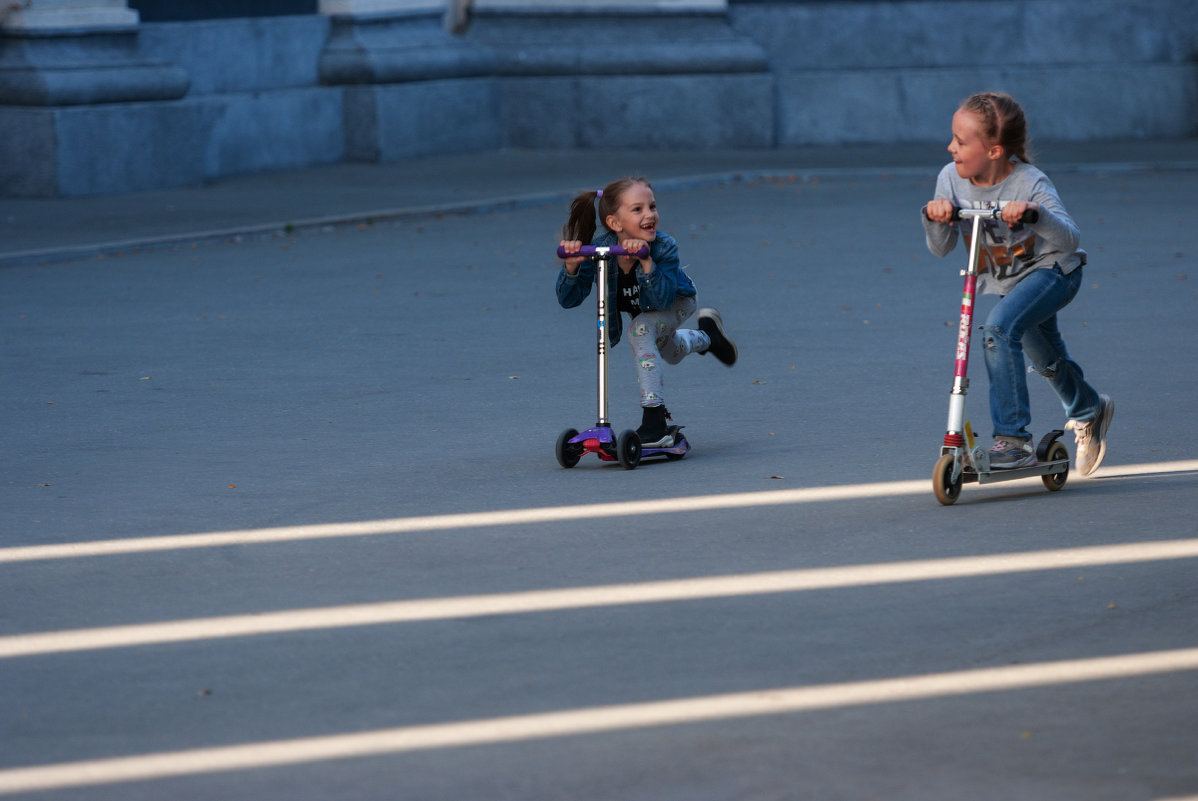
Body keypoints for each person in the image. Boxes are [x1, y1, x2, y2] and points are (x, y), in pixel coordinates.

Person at [922, 92, 1113, 475]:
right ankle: (1088, 409)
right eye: (953, 139)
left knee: (998, 329)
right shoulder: (950, 179)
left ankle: (1013, 440)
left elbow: (1070, 238)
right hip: (1009, 283)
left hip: (1054, 272)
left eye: (961, 142)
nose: (950, 147)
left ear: (994, 151)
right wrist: (934, 215)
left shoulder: (1029, 181)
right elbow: (941, 249)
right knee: (1044, 358)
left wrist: (1034, 214)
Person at [556, 176, 737, 447]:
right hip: (648, 312)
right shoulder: (602, 251)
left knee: (640, 330)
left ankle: (655, 422)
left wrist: (646, 261)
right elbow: (568, 300)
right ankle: (708, 336)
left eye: (652, 206)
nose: (650, 214)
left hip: (676, 301)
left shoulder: (664, 247)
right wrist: (572, 268)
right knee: (671, 352)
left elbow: (663, 300)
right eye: (637, 209)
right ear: (615, 223)